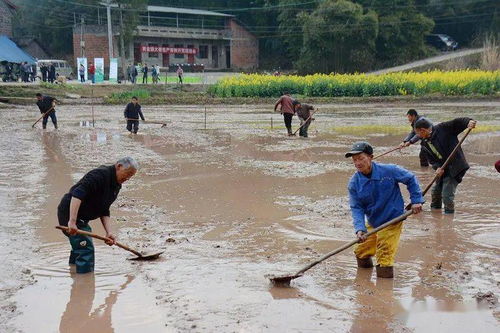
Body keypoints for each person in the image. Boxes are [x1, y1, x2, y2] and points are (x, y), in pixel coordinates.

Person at [346, 141, 423, 278]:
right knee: (360, 250)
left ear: (371, 157)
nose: (358, 163)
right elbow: (356, 208)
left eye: (361, 158)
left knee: (384, 254)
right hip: (374, 220)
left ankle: (384, 292)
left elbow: (410, 179)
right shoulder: (354, 183)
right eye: (355, 160)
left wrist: (416, 200)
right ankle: (363, 281)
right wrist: (360, 229)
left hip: (393, 219)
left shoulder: (389, 171)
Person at [57, 157, 139, 273]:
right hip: (69, 213)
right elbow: (77, 194)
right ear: (119, 166)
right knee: (86, 249)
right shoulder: (99, 175)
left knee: (79, 246)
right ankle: (85, 286)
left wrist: (108, 232)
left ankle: (74, 273)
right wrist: (72, 221)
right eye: (128, 173)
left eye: (131, 176)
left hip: (81, 218)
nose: (128, 178)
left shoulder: (116, 185)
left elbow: (104, 209)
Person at [415, 117, 476, 214]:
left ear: (423, 130)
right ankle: (435, 215)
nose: (418, 135)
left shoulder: (443, 128)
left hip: (455, 166)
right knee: (435, 192)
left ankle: (449, 216)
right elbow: (431, 160)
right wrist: (437, 167)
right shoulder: (424, 144)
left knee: (447, 195)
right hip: (442, 169)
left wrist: (468, 122)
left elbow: (458, 122)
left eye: (418, 133)